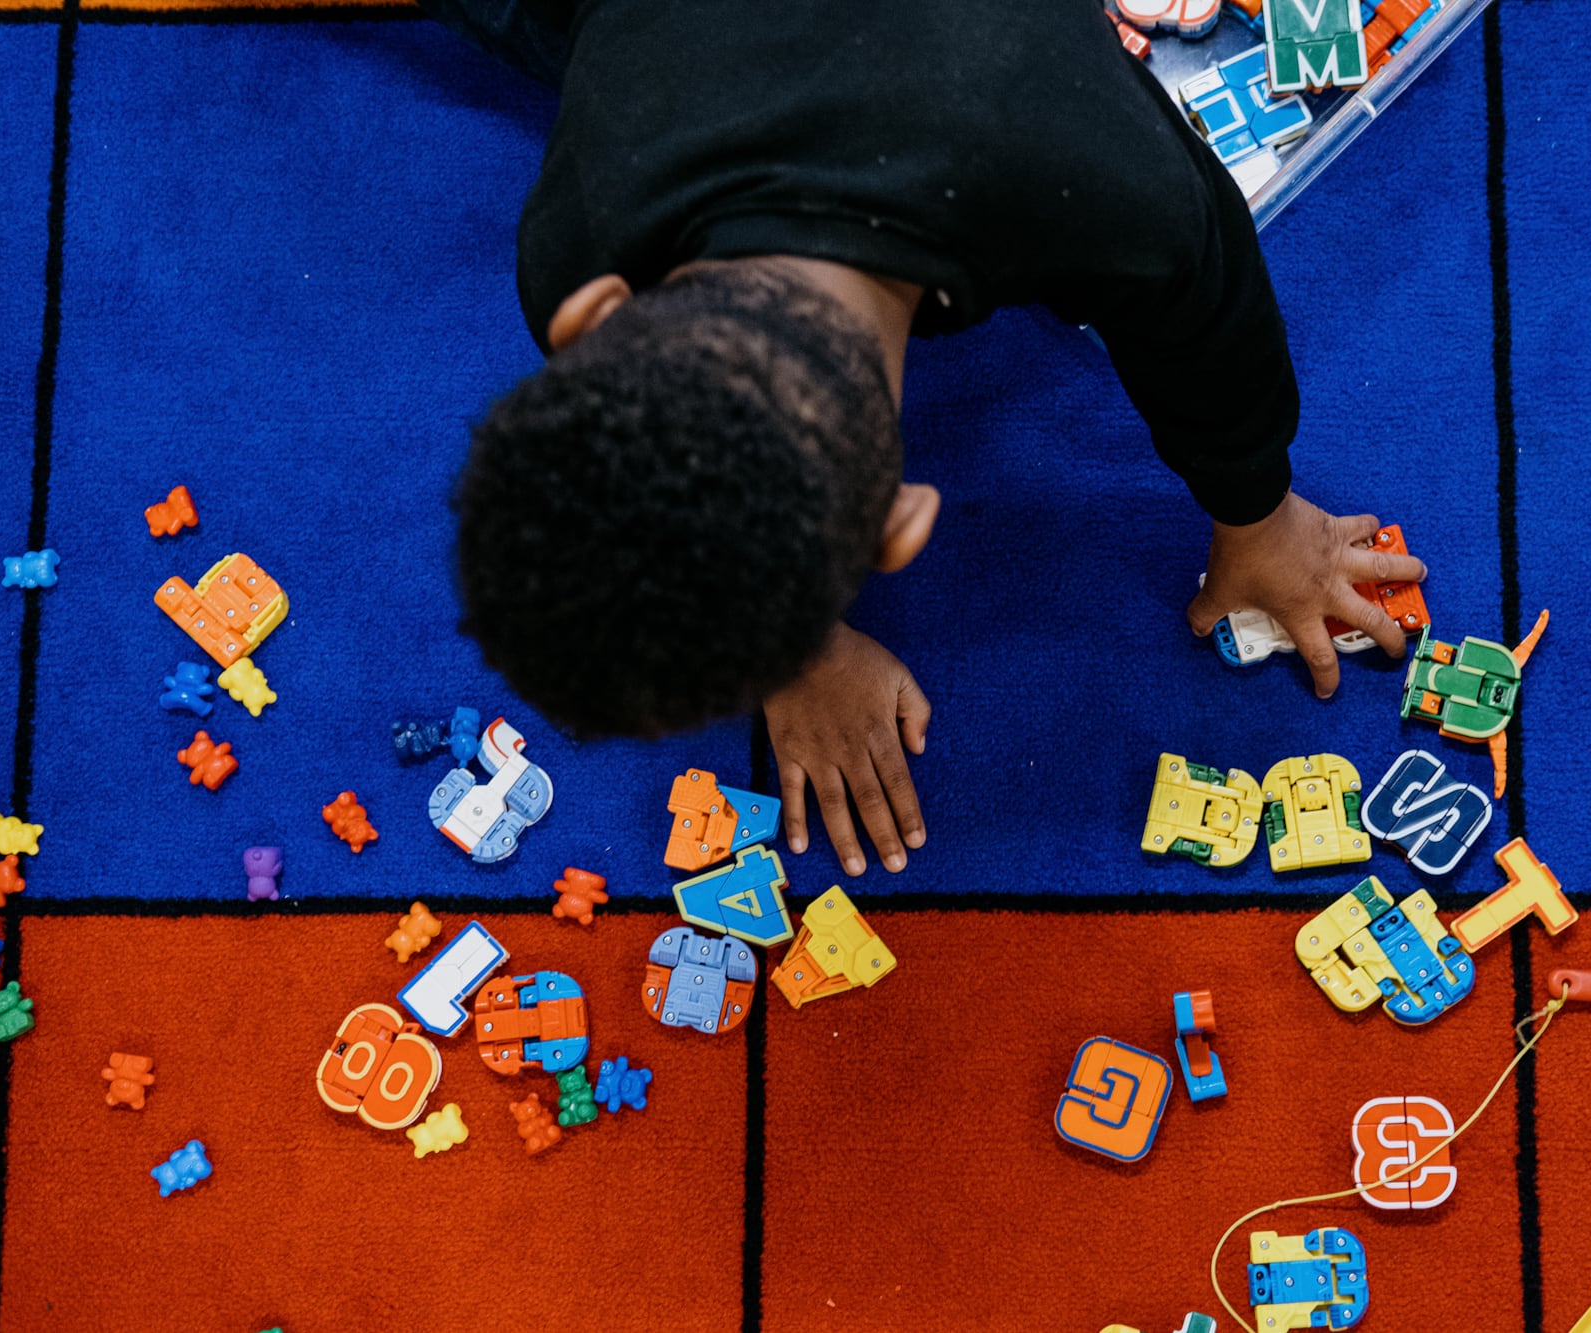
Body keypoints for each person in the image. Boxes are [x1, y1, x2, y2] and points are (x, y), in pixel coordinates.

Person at [443, 0, 1426, 878]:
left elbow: (1208, 296)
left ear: (904, 525)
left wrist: (1259, 514)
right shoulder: (576, 241)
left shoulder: (1084, 162)